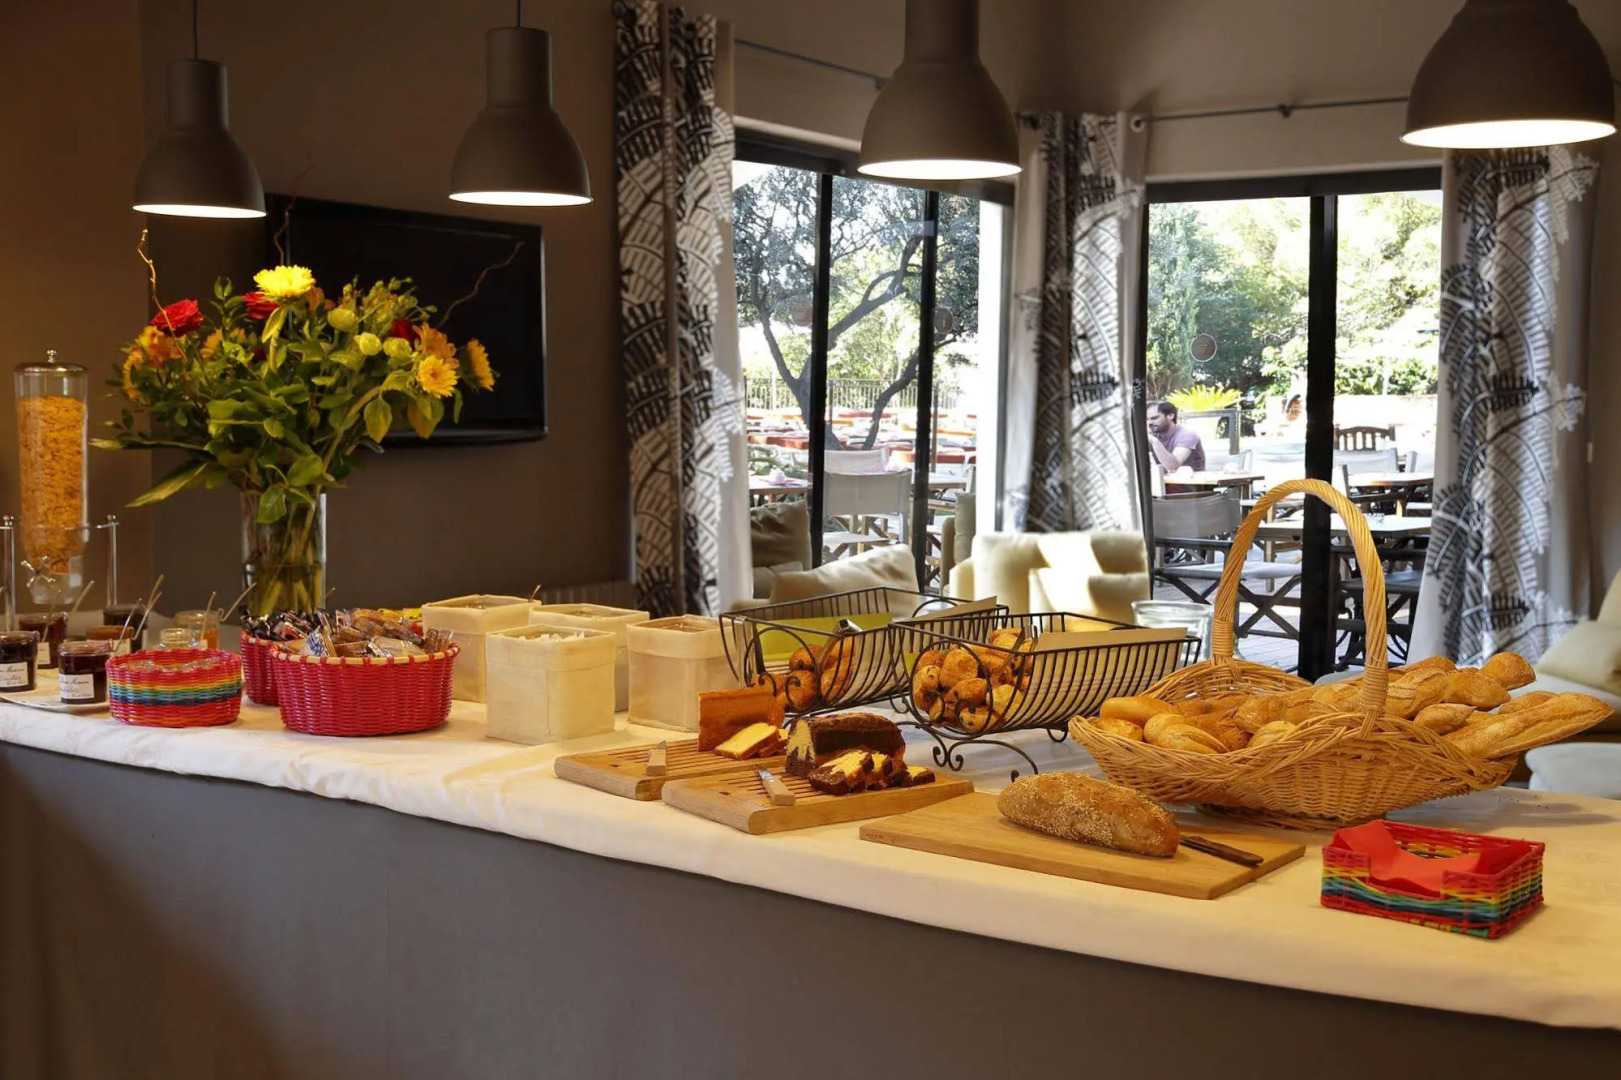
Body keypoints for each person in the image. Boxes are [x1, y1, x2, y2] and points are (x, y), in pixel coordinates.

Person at [1146, 401, 1206, 473]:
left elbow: (1172, 466)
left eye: (1154, 418)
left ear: (1170, 416)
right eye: (1147, 419)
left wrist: (1154, 442)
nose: (1150, 423)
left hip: (1191, 482)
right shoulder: (1152, 435)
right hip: (1165, 481)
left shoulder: (1187, 435)